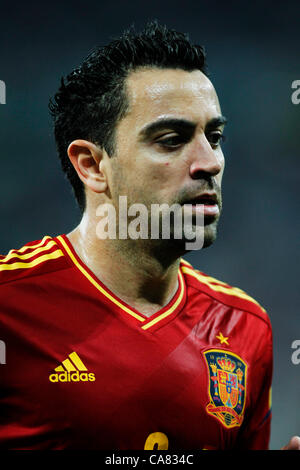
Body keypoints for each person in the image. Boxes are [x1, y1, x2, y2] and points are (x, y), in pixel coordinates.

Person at [0, 21, 298, 451]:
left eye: (214, 137)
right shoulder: (10, 307)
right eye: (172, 140)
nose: (210, 162)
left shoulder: (246, 326)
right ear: (91, 165)